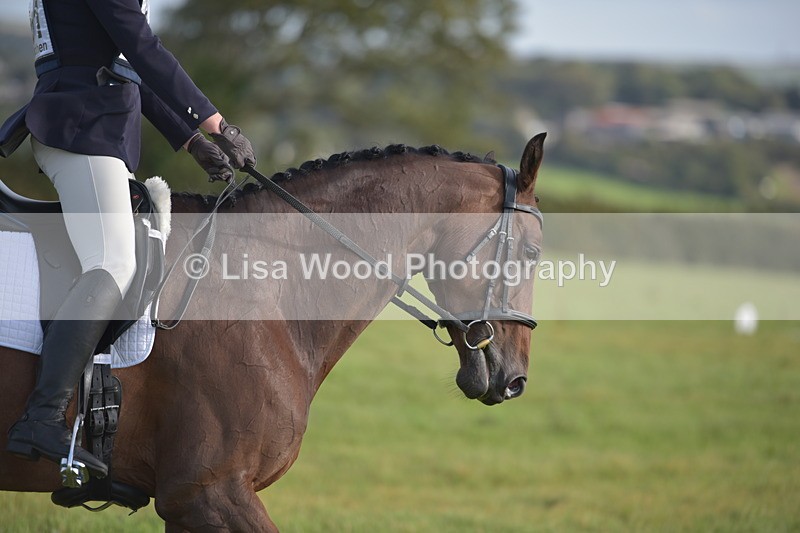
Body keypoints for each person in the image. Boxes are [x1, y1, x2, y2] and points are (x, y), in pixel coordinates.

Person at [0, 0, 256, 478]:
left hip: (94, 127)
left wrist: (192, 140)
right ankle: (43, 415)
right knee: (113, 263)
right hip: (79, 126)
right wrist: (216, 123)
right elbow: (144, 48)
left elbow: (125, 64)